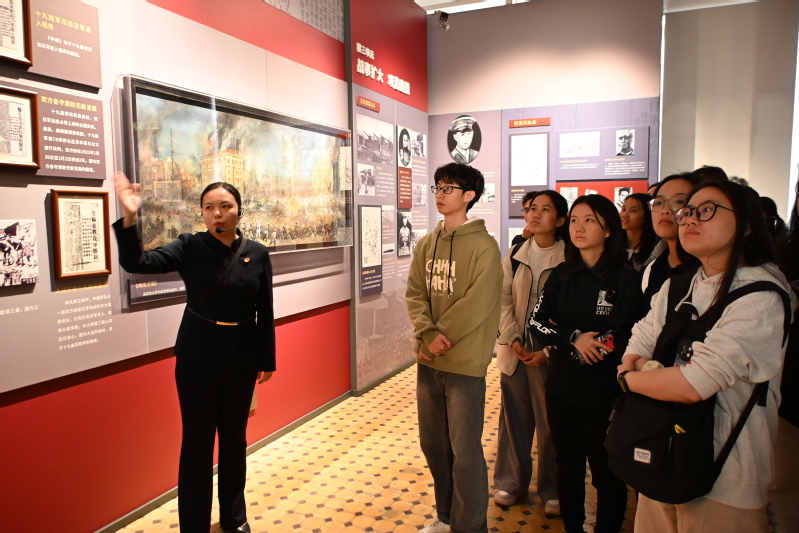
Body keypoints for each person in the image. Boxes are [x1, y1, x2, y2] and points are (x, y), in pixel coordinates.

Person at [618, 181, 793, 532]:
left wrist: (629, 379)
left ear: (746, 224)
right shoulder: (678, 286)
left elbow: (693, 384)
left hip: (726, 475)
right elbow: (638, 343)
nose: (687, 219)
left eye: (707, 210)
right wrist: (646, 372)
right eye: (687, 211)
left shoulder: (761, 294)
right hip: (660, 453)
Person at [113, 173, 275, 533]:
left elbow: (265, 310)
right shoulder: (189, 245)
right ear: (202, 213)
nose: (217, 213)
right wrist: (130, 216)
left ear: (239, 210)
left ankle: (234, 519)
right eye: (209, 207)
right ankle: (194, 525)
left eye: (225, 206)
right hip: (196, 361)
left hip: (241, 360)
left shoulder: (258, 253)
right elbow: (138, 262)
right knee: (197, 446)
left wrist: (267, 360)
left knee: (233, 442)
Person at [528, 194, 639, 533]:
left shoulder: (625, 277)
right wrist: (574, 338)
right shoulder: (562, 274)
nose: (578, 227)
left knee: (607, 471)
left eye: (589, 220)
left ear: (608, 229)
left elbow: (629, 332)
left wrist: (594, 346)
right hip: (561, 388)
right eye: (574, 219)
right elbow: (536, 322)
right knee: (567, 466)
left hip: (604, 392)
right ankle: (572, 527)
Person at [406, 162, 502, 533]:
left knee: (465, 451)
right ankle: (446, 517)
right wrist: (426, 334)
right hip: (429, 360)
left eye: (448, 188)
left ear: (469, 195)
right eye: (438, 188)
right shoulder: (426, 244)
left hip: (464, 363)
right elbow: (415, 293)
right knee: (434, 445)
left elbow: (478, 304)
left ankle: (471, 526)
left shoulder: (484, 247)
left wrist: (436, 336)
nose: (440, 195)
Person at [494, 190, 569, 513]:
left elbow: (572, 312)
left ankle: (552, 488)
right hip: (515, 348)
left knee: (552, 422)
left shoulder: (569, 258)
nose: (536, 214)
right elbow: (501, 299)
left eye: (546, 209)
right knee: (513, 419)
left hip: (552, 352)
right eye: (532, 208)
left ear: (561, 220)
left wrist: (548, 350)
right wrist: (512, 337)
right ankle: (511, 481)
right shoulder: (515, 254)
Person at [638, 173, 704, 313]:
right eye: (659, 203)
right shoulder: (649, 272)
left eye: (679, 201)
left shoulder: (711, 274)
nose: (665, 210)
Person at [620, 192, 658, 271]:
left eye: (633, 210)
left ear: (647, 217)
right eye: (623, 209)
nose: (624, 215)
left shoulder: (655, 249)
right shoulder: (613, 245)